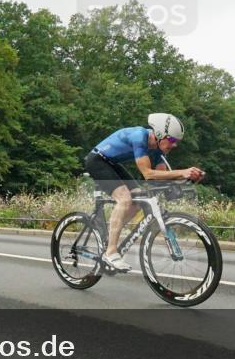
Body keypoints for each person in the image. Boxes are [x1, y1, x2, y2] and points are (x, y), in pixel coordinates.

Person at [85, 113, 204, 272]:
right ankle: (111, 252)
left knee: (137, 200)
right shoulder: (139, 137)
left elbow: (159, 179)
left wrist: (188, 178)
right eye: (173, 140)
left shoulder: (159, 149)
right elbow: (148, 174)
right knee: (125, 199)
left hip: (112, 163)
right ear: (160, 134)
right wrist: (182, 172)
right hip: (97, 161)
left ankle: (111, 233)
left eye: (177, 142)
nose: (174, 145)